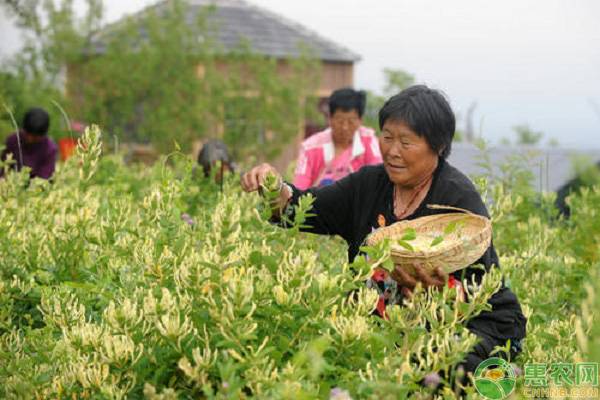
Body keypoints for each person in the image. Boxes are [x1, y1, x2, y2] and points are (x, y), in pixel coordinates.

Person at [241, 85, 527, 376]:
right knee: (323, 357)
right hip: (387, 325)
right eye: (387, 137)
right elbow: (300, 209)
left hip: (471, 325)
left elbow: (482, 291)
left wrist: (441, 294)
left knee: (439, 368)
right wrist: (273, 188)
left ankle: (499, 376)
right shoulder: (368, 185)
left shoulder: (457, 199)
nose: (392, 151)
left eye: (406, 142)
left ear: (438, 147)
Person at [293, 88, 382, 189]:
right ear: (330, 118)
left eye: (351, 121)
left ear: (360, 120)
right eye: (340, 121)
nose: (345, 127)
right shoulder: (310, 147)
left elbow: (378, 179)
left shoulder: (369, 141)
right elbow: (299, 188)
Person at [0, 107, 58, 180]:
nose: (30, 139)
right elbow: (3, 168)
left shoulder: (50, 149)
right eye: (28, 134)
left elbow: (45, 178)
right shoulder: (13, 140)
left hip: (36, 188)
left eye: (34, 137)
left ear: (43, 135)